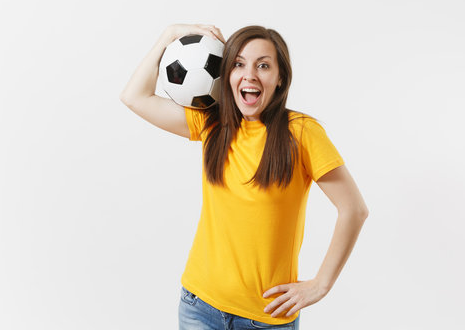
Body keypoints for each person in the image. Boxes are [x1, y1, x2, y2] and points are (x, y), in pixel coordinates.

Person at [120, 23, 369, 330]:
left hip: (265, 318)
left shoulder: (302, 133)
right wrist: (168, 35)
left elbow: (354, 209)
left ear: (280, 79)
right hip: (199, 305)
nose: (249, 75)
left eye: (263, 65)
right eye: (238, 64)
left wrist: (321, 285)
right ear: (227, 75)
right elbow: (134, 97)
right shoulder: (213, 124)